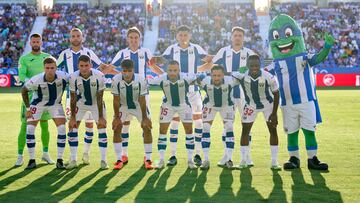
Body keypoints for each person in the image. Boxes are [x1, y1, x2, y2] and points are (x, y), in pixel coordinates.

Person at [199, 26, 256, 167]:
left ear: (243, 38)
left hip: (245, 95)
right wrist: (197, 69)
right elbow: (212, 65)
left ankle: (246, 157)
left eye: (240, 35)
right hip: (228, 95)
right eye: (235, 35)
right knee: (227, 125)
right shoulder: (223, 51)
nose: (237, 37)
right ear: (231, 37)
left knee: (246, 126)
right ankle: (226, 156)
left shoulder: (249, 53)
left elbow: (256, 71)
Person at [110, 26, 162, 165]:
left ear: (140, 39)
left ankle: (148, 157)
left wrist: (164, 76)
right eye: (131, 38)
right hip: (124, 94)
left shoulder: (145, 52)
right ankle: (123, 155)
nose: (133, 40)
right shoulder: (122, 53)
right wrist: (122, 76)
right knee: (124, 124)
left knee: (146, 124)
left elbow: (152, 67)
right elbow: (111, 67)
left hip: (142, 93)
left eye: (136, 38)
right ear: (127, 39)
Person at [57, 28, 109, 165]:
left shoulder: (89, 53)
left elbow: (102, 66)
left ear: (82, 37)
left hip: (92, 94)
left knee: (89, 125)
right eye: (73, 36)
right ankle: (72, 157)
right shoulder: (64, 54)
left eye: (78, 36)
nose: (75, 38)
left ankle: (86, 152)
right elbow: (56, 71)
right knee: (73, 125)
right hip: (72, 96)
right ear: (70, 38)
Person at [233, 55, 281, 170]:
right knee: (245, 131)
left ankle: (274, 161)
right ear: (247, 66)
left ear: (260, 65)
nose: (254, 68)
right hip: (250, 105)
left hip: (267, 105)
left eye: (257, 65)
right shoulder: (241, 76)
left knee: (273, 131)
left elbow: (276, 94)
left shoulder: (268, 77)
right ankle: (243, 160)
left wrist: (274, 113)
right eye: (252, 66)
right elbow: (228, 75)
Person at [148, 60, 197, 169]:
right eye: (170, 70)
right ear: (167, 70)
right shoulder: (162, 78)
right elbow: (148, 82)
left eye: (175, 70)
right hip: (167, 106)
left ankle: (190, 159)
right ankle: (161, 160)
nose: (172, 73)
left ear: (179, 70)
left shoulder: (186, 77)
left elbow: (198, 78)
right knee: (162, 132)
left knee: (189, 131)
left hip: (184, 106)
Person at [21, 57, 68, 169]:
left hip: (55, 104)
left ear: (56, 68)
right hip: (38, 105)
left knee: (62, 128)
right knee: (30, 129)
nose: (50, 70)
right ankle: (32, 160)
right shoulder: (36, 79)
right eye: (47, 68)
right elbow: (24, 90)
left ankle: (60, 160)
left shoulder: (64, 76)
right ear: (44, 68)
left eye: (52, 68)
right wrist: (28, 109)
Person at [16, 33, 54, 166]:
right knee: (25, 126)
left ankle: (45, 153)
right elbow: (22, 77)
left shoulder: (47, 57)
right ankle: (20, 155)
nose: (36, 44)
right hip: (30, 97)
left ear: (41, 42)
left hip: (46, 98)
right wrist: (35, 84)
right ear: (30, 43)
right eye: (33, 42)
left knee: (45, 125)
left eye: (38, 42)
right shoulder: (24, 59)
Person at [67, 55, 108, 170]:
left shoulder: (99, 75)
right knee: (72, 128)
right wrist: (72, 117)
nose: (84, 68)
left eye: (86, 65)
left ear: (90, 65)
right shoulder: (73, 77)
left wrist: (100, 116)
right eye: (81, 66)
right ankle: (73, 159)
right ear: (78, 66)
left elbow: (100, 97)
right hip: (81, 104)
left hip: (96, 104)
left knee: (102, 128)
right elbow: (73, 97)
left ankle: (103, 160)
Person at [111, 59, 153, 170]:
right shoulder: (115, 80)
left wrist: (145, 118)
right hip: (123, 106)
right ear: (121, 70)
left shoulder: (141, 79)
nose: (127, 73)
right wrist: (116, 117)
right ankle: (119, 159)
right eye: (124, 71)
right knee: (117, 127)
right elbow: (115, 100)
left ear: (133, 70)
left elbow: (142, 99)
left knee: (147, 127)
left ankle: (148, 159)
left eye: (129, 71)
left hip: (138, 105)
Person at [197, 65, 238, 170]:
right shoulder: (205, 80)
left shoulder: (230, 80)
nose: (216, 78)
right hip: (210, 105)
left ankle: (229, 160)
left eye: (219, 75)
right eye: (214, 75)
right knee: (205, 128)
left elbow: (243, 79)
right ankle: (206, 160)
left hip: (226, 105)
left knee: (229, 127)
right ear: (210, 75)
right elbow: (193, 79)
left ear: (223, 75)